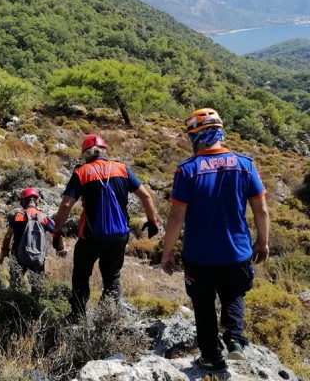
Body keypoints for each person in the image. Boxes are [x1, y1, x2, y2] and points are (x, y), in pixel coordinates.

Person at [161, 108, 269, 372]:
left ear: (195, 137)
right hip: (237, 251)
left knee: (203, 305)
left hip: (199, 255)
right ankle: (235, 340)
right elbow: (261, 210)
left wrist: (167, 252)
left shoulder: (187, 170)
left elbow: (176, 218)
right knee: (234, 295)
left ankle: (212, 357)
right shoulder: (245, 164)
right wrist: (263, 242)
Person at [53, 134, 160, 323]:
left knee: (81, 274)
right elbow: (146, 197)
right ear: (105, 150)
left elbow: (66, 205)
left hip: (91, 236)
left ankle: (77, 315)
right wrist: (153, 222)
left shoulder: (82, 173)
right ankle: (112, 316)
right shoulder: (122, 169)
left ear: (86, 153)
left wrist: (57, 229)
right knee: (112, 275)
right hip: (119, 235)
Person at [0, 187, 66, 280]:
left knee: (15, 284)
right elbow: (58, 231)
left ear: (23, 202)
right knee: (37, 287)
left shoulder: (18, 216)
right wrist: (60, 248)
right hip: (38, 258)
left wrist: (4, 252)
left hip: (18, 257)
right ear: (36, 201)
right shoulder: (44, 218)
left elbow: (7, 236)